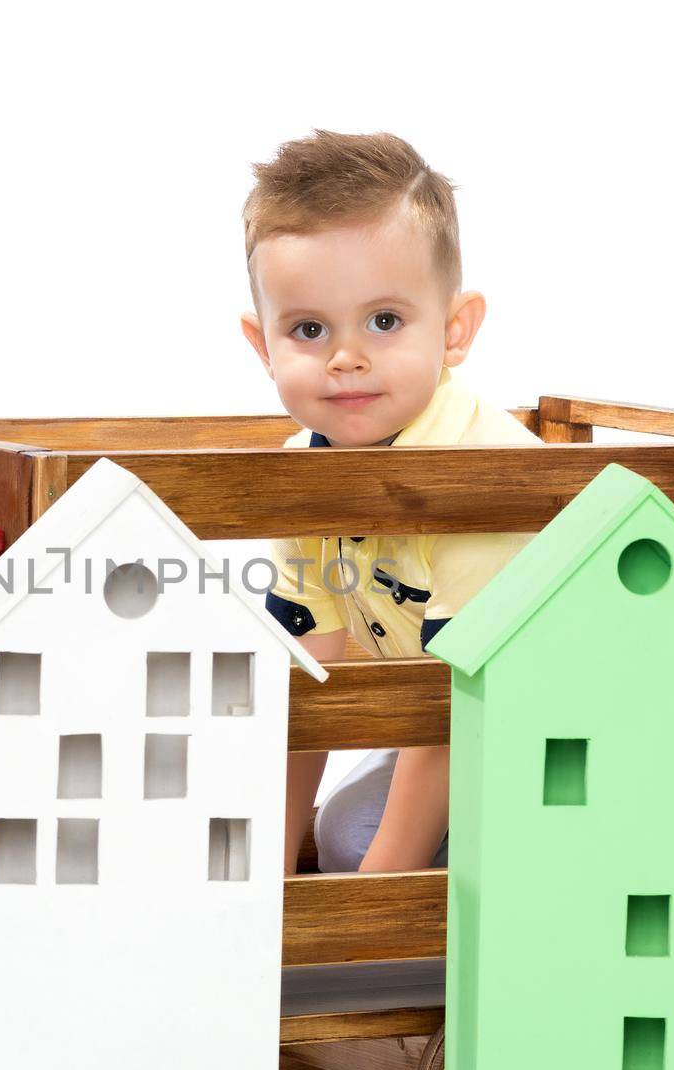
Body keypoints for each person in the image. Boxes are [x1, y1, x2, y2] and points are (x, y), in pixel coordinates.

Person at [238, 129, 542, 875]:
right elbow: (311, 679)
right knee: (344, 831)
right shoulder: (301, 479)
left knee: (367, 850)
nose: (347, 357)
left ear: (455, 329)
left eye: (384, 321)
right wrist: (266, 891)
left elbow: (450, 710)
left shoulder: (483, 476)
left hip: (560, 733)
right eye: (309, 329)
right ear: (263, 345)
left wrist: (365, 913)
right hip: (450, 728)